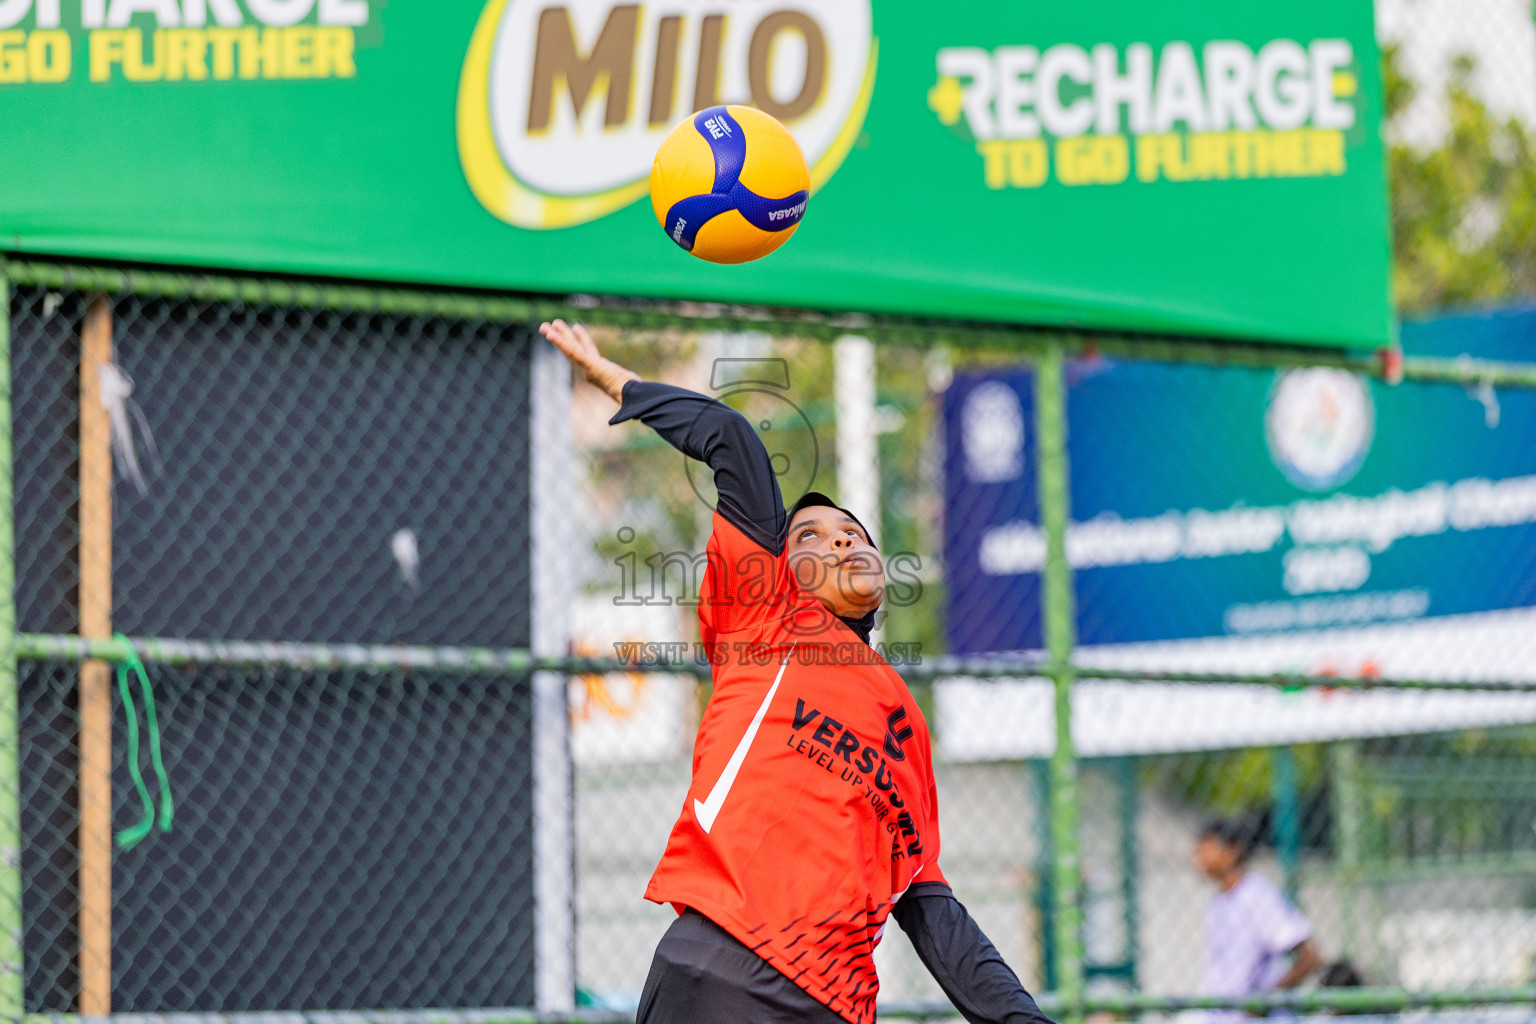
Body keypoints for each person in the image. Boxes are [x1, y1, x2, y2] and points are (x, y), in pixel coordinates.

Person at [540, 319, 1054, 1024]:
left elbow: (927, 902)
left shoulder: (903, 720)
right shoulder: (765, 619)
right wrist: (616, 382)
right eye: (811, 536)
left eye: (854, 533)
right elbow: (731, 438)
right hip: (724, 973)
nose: (842, 536)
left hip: (835, 1007)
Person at [1194, 817, 1323, 1020]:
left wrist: (1264, 1002)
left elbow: (1310, 958)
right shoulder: (1217, 903)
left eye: (1207, 848)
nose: (1199, 858)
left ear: (1233, 851)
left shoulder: (1256, 894)